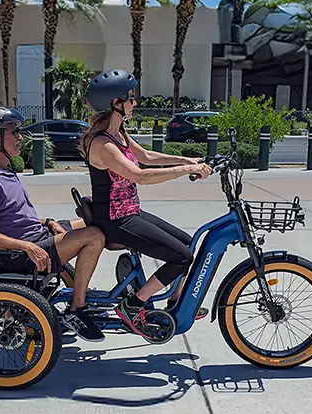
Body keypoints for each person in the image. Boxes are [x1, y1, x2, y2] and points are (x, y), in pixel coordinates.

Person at [80, 69, 213, 337]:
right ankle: (134, 305)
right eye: (130, 98)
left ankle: (177, 301)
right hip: (116, 221)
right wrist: (185, 171)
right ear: (114, 104)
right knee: (183, 257)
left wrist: (188, 160)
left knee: (188, 243)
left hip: (131, 213)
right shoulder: (103, 144)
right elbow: (139, 175)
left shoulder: (120, 135)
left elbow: (148, 157)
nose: (134, 102)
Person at [0, 106, 106, 342]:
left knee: (93, 222)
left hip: (38, 235)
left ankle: (82, 298)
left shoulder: (4, 172)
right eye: (13, 131)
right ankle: (77, 310)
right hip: (23, 252)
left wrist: (49, 222)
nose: (20, 137)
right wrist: (28, 248)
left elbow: (16, 218)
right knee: (94, 236)